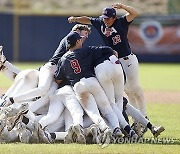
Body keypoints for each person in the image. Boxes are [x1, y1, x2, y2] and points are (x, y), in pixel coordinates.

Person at [68, 3, 147, 117]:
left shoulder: (121, 22)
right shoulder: (101, 23)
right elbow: (88, 20)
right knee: (127, 91)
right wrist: (76, 19)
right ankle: (137, 120)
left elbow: (134, 13)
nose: (106, 20)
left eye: (108, 18)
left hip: (128, 59)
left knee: (135, 88)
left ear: (114, 17)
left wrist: (123, 7)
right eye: (104, 18)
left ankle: (144, 116)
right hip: (116, 62)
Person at [1, 24, 91, 107]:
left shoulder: (75, 41)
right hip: (52, 67)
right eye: (85, 33)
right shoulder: (71, 38)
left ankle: (4, 64)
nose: (86, 36)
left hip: (53, 70)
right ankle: (11, 98)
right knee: (41, 88)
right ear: (78, 31)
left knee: (26, 78)